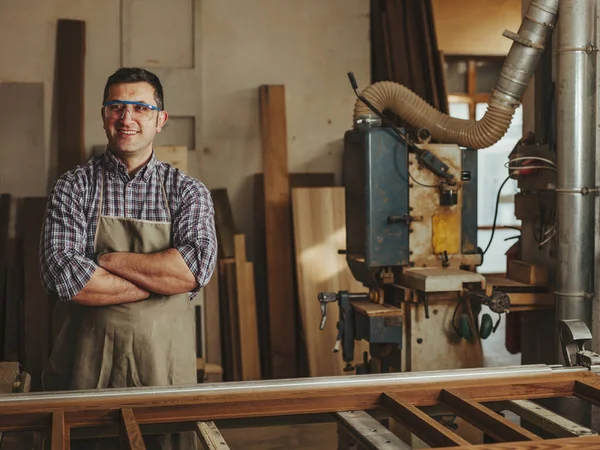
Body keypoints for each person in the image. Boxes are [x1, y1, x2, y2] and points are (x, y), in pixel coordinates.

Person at [39, 67, 216, 448]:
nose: (127, 117)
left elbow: (193, 269)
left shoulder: (187, 192)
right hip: (83, 380)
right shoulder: (74, 187)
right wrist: (158, 284)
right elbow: (65, 277)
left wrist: (108, 259)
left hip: (165, 382)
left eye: (139, 107)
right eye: (116, 106)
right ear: (104, 116)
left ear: (160, 119)